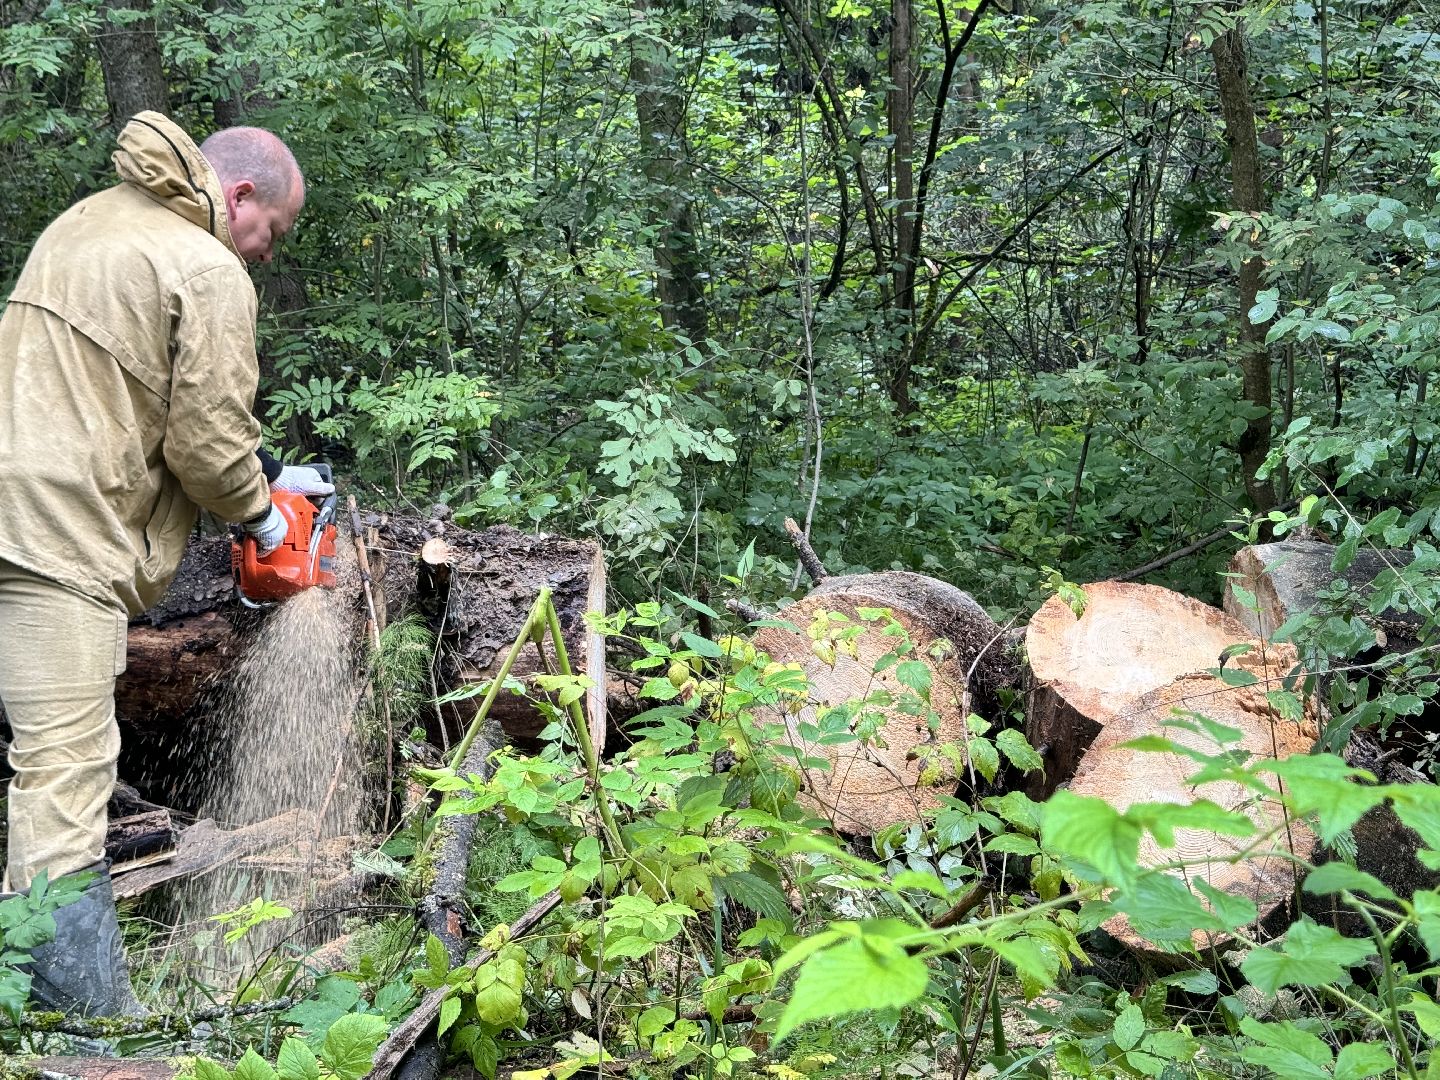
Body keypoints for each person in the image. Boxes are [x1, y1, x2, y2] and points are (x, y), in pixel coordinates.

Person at [0, 111, 332, 1016]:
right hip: (56, 533)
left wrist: (268, 470)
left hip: (17, 505)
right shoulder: (206, 265)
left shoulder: (87, 223)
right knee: (65, 772)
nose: (265, 252)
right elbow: (207, 446)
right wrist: (263, 519)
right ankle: (77, 1028)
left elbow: (110, 392)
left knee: (31, 756)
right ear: (240, 196)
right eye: (272, 232)